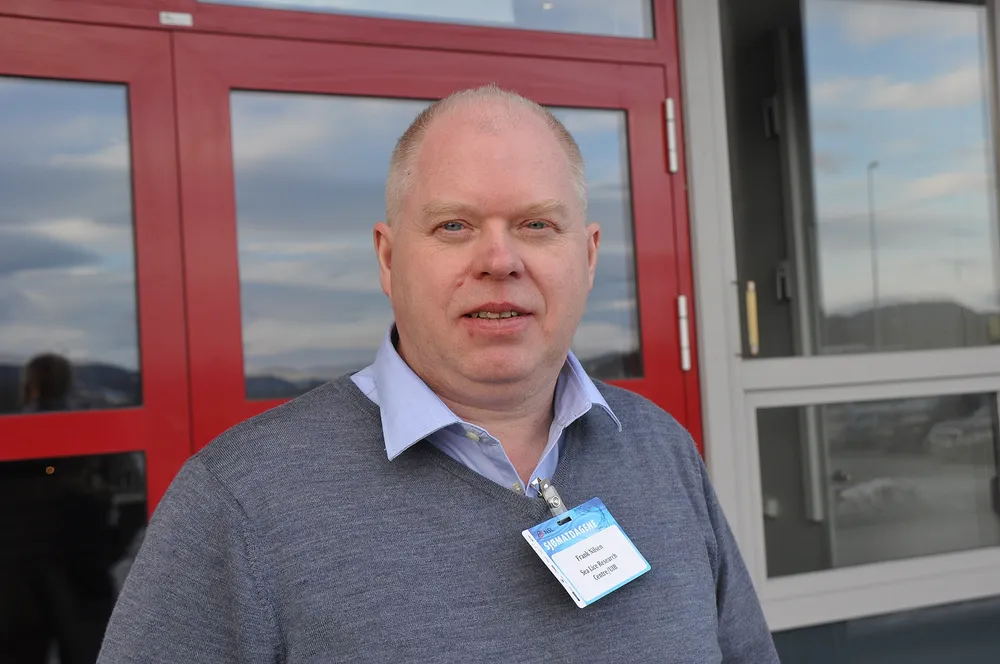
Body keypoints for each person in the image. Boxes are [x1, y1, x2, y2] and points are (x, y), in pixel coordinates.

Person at [96, 84, 779, 663]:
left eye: (537, 225)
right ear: (389, 259)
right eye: (454, 226)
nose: (500, 260)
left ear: (589, 254)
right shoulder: (240, 498)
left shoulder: (660, 447)